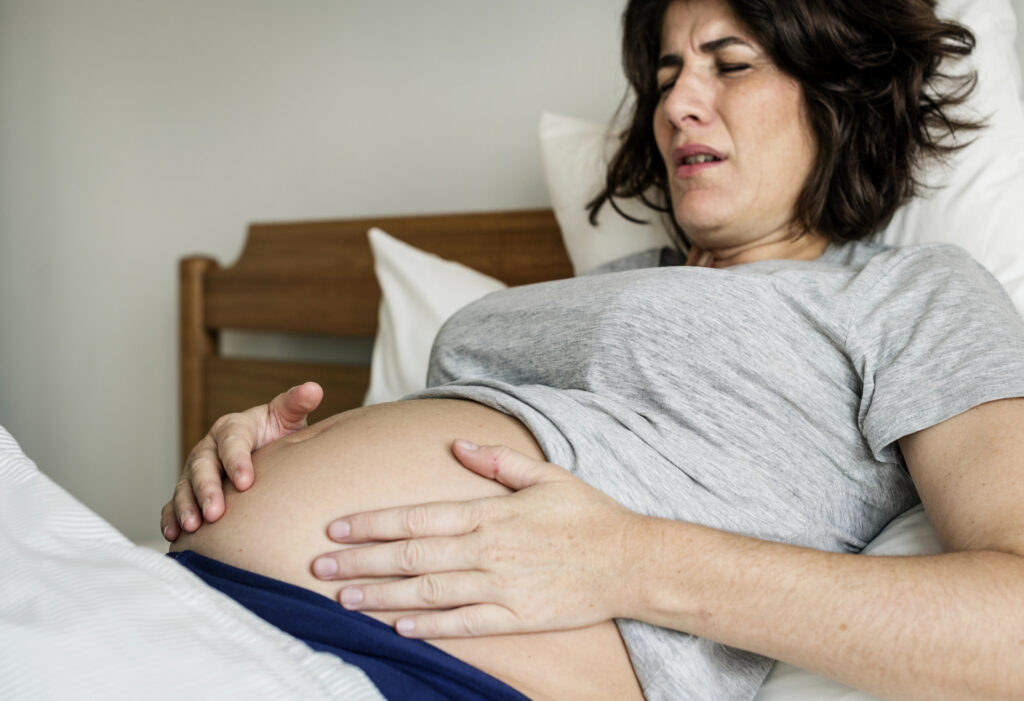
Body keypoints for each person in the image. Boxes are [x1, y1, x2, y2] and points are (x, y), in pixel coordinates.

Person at [162, 1, 1024, 700]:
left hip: (413, 668)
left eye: (730, 63)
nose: (679, 102)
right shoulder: (609, 280)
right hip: (196, 600)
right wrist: (255, 459)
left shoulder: (911, 292)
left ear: (839, 93)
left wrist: (631, 560)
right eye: (666, 75)